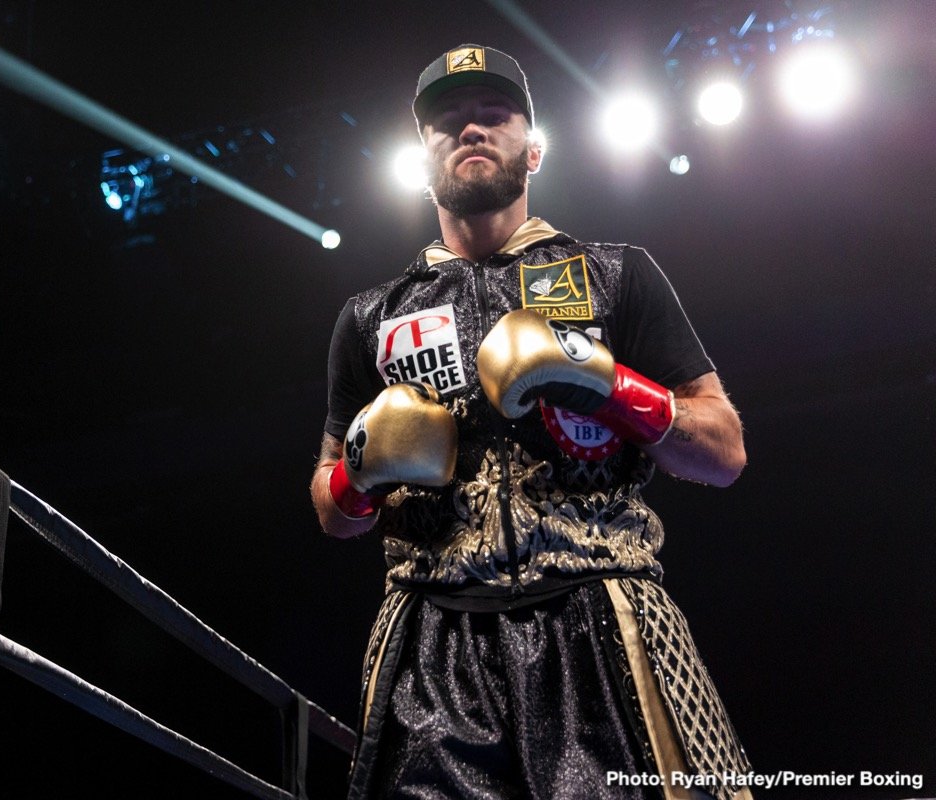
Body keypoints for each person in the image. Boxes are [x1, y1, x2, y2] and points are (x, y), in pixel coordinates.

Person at [310, 45, 754, 800]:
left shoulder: (617, 273)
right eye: (449, 120)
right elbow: (328, 507)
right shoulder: (370, 317)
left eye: (494, 114)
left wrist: (606, 381)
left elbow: (724, 451)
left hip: (603, 613)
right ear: (421, 157)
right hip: (431, 643)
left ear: (535, 147)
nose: (472, 130)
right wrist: (361, 469)